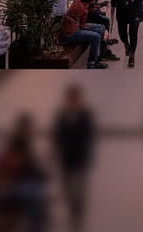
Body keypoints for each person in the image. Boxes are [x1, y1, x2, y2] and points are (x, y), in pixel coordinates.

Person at [53, 87, 96, 230]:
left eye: (75, 98)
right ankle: (73, 209)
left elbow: (89, 136)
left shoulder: (85, 116)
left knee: (80, 188)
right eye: (70, 99)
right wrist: (56, 152)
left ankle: (78, 212)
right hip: (66, 158)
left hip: (80, 157)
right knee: (68, 188)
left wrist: (88, 155)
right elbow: (58, 136)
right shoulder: (62, 116)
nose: (73, 101)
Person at [60, 0, 109, 69]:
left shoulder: (78, 2)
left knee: (101, 28)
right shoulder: (81, 8)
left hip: (76, 27)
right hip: (71, 33)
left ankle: (98, 53)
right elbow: (83, 25)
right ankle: (92, 62)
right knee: (96, 36)